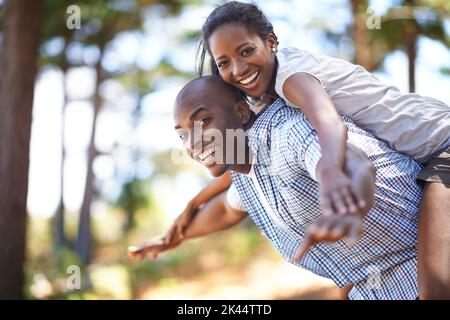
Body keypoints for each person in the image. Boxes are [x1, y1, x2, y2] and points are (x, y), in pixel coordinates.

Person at [168, 1, 450, 299]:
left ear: (271, 42)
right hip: (423, 156)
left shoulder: (291, 78)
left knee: (435, 288)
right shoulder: (263, 99)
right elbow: (249, 166)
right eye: (223, 62)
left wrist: (330, 171)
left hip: (444, 145)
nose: (237, 68)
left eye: (246, 51)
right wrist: (192, 205)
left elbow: (329, 125)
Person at [130, 76, 424, 299]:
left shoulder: (287, 133)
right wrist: (174, 238)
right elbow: (224, 211)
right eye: (182, 135)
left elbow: (346, 160)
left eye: (203, 121)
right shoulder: (246, 170)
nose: (193, 144)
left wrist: (351, 201)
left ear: (242, 112)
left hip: (426, 261)